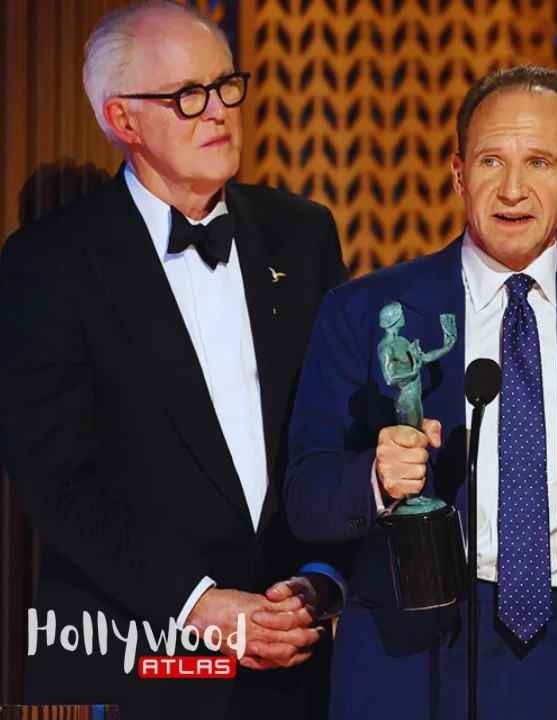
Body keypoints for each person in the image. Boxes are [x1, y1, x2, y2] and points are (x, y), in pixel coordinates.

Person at [283, 64, 557, 720]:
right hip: (413, 659)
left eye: (540, 162)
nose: (513, 190)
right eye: (491, 160)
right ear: (458, 173)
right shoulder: (366, 312)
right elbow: (305, 493)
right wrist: (375, 479)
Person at [0, 2, 349, 718]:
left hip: (300, 651)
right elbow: (57, 484)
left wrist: (321, 580)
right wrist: (202, 605)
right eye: (188, 95)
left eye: (225, 86)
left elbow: (338, 430)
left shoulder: (304, 232)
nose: (218, 111)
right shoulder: (51, 263)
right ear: (123, 120)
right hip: (149, 655)